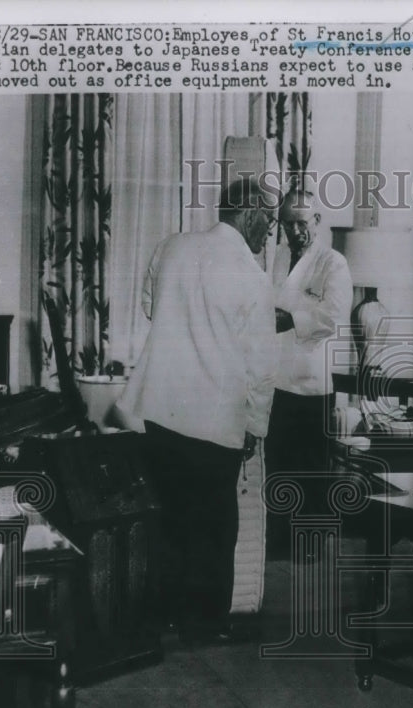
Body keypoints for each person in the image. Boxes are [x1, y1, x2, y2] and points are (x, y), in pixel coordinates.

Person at [120, 177, 277, 644]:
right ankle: (208, 620)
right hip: (215, 415)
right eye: (267, 221)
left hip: (162, 407)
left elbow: (151, 307)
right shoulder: (252, 277)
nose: (268, 232)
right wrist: (256, 425)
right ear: (249, 214)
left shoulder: (171, 246)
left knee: (169, 514)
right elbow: (262, 368)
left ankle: (165, 612)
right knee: (216, 523)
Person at [265, 187, 353, 558]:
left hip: (312, 381)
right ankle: (279, 542)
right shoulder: (279, 258)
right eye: (287, 224)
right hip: (276, 379)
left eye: (301, 223)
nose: (295, 232)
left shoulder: (333, 263)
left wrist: (290, 320)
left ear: (316, 221)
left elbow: (332, 315)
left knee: (312, 467)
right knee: (279, 464)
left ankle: (311, 544)